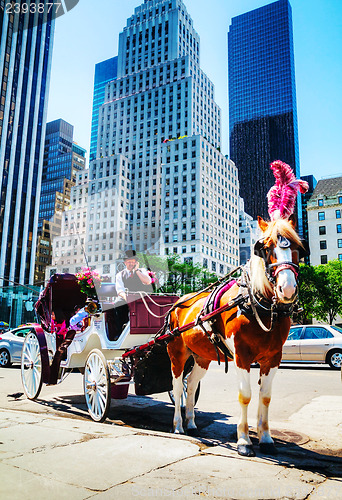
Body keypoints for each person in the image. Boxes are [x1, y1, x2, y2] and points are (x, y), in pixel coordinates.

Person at [113, 250, 153, 339]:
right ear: (125, 263)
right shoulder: (120, 274)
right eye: (129, 262)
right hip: (126, 296)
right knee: (118, 303)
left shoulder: (142, 270)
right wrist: (126, 298)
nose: (131, 263)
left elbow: (148, 282)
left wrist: (137, 271)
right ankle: (120, 332)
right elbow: (120, 290)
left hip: (142, 296)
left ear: (136, 262)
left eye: (133, 261)